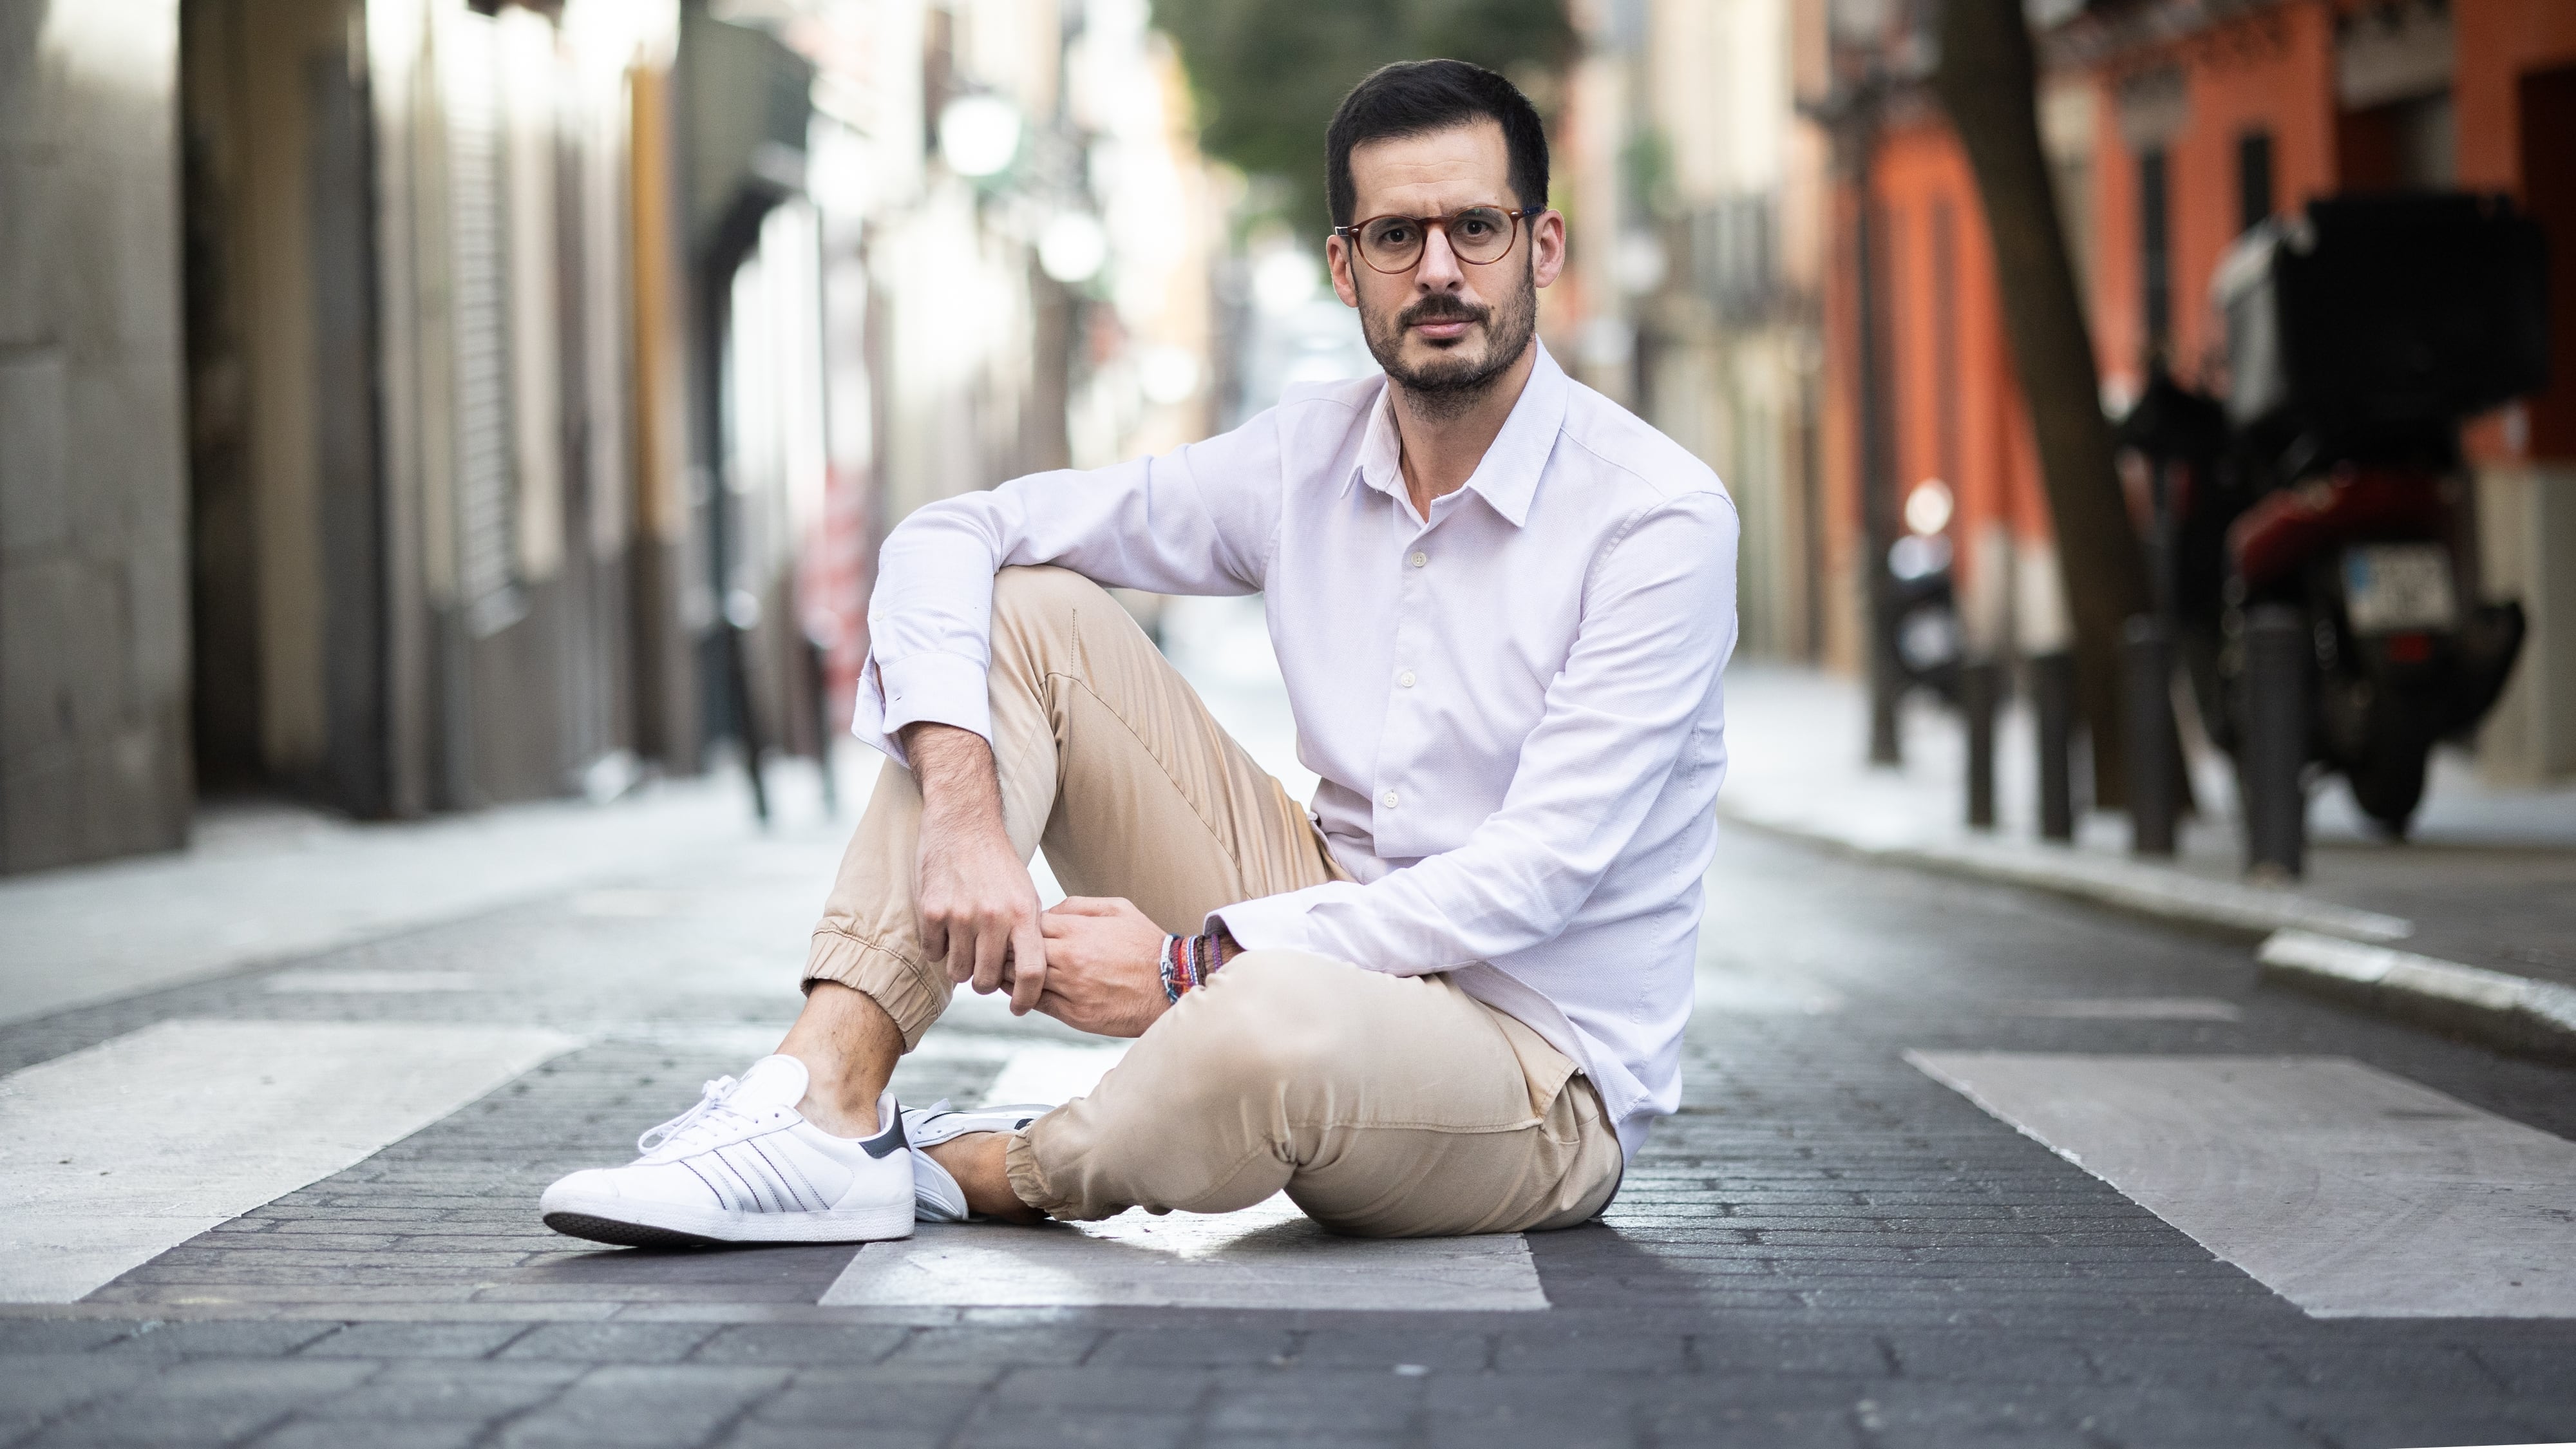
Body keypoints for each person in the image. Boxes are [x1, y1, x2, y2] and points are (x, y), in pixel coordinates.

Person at [537, 58, 1738, 1249]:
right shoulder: (1302, 458)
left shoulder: (1656, 519)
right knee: (1029, 613)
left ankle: (987, 1163)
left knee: (1267, 1016)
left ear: (1543, 246)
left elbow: (1537, 875)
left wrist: (1180, 968)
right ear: (1343, 266)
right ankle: (827, 1102)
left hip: (1532, 1072)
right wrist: (964, 814)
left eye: (1476, 227)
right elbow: (956, 532)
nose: (1437, 269)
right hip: (1329, 916)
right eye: (1394, 234)